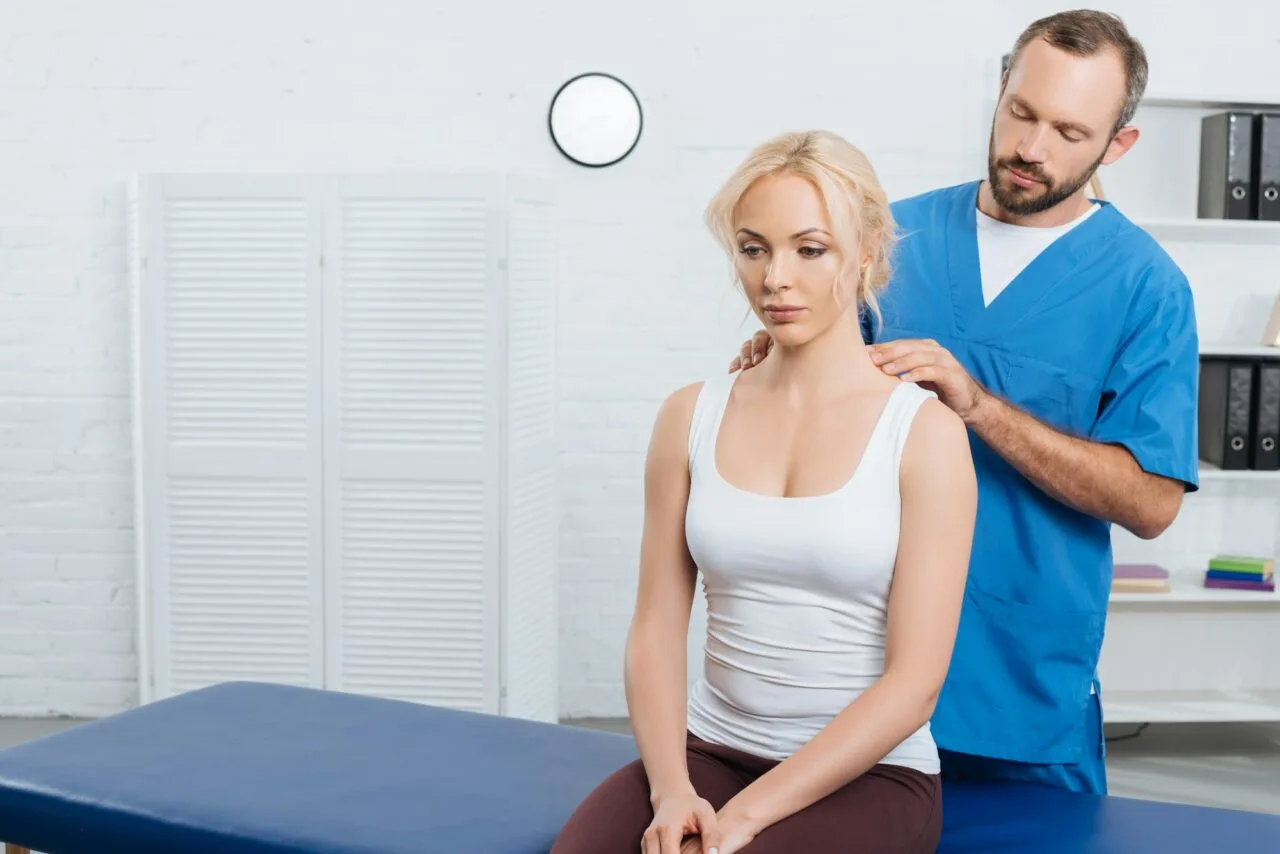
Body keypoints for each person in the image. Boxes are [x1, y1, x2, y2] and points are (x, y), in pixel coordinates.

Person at [729, 10, 1200, 796]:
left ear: (1118, 145)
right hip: (849, 673)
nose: (1032, 148)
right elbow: (806, 402)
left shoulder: (1145, 288)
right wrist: (772, 356)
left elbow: (1151, 503)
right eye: (1021, 112)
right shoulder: (889, 236)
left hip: (1018, 680)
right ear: (1002, 88)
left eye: (1069, 132)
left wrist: (980, 407)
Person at [551, 131, 977, 854]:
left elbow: (915, 685)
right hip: (710, 751)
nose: (775, 278)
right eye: (754, 249)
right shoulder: (689, 414)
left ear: (866, 250)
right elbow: (655, 629)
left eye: (810, 249)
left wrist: (743, 818)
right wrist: (672, 790)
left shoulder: (925, 433)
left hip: (870, 774)